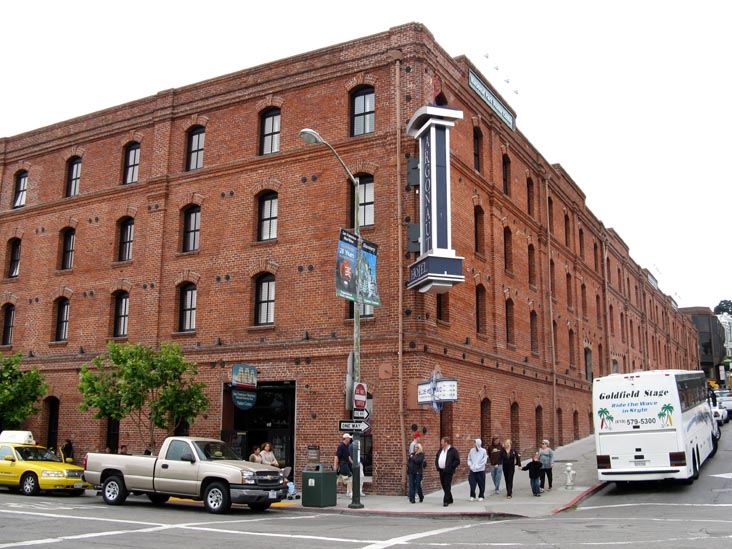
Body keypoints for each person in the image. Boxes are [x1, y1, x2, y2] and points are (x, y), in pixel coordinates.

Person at [434, 436, 460, 507]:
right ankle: (450, 498)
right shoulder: (441, 450)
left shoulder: (453, 450)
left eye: (442, 442)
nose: (441, 443)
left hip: (448, 470)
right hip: (441, 470)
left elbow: (457, 460)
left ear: (446, 442)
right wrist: (437, 465)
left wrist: (451, 466)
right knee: (443, 484)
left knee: (447, 484)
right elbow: (437, 457)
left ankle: (446, 500)